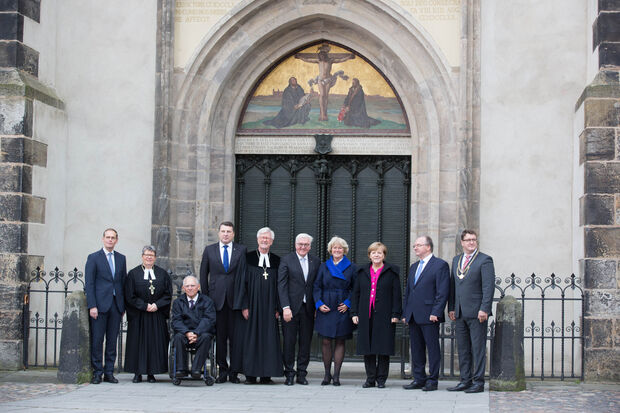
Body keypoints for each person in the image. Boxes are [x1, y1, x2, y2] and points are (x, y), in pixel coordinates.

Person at [199, 221, 247, 384]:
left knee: (235, 339)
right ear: (219, 233)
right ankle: (222, 370)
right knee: (219, 338)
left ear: (233, 234)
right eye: (223, 231)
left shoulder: (241, 250)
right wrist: (205, 300)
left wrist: (243, 302)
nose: (226, 234)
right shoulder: (209, 250)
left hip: (235, 302)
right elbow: (203, 275)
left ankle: (234, 372)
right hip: (215, 301)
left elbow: (244, 278)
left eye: (229, 231)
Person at [448, 230, 495, 393]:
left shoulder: (485, 260)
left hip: (477, 312)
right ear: (462, 242)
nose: (471, 243)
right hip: (460, 312)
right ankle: (465, 380)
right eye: (468, 240)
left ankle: (479, 382)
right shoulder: (456, 260)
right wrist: (452, 307)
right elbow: (453, 286)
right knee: (463, 348)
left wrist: (485, 309)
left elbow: (488, 287)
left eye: (474, 240)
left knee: (478, 348)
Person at [234, 227, 283, 384]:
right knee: (251, 340)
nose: (264, 240)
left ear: (272, 241)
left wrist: (277, 307)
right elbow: (241, 283)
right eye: (262, 238)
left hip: (269, 308)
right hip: (252, 307)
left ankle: (266, 375)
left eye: (267, 238)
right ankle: (250, 375)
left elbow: (280, 286)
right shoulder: (247, 258)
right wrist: (244, 305)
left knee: (269, 340)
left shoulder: (277, 260)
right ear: (257, 240)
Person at [402, 236, 450, 392]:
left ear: (428, 247)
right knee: (416, 349)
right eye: (414, 245)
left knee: (432, 348)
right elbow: (409, 291)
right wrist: (406, 313)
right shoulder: (414, 266)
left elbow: (442, 291)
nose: (415, 248)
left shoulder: (440, 265)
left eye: (418, 245)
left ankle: (432, 380)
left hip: (430, 314)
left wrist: (436, 311)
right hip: (414, 315)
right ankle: (419, 378)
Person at [351, 242, 402, 389]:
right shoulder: (361, 272)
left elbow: (396, 295)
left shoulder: (392, 272)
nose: (377, 255)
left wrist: (395, 313)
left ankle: (381, 379)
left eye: (380, 252)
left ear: (384, 255)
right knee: (368, 348)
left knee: (383, 347)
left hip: (385, 315)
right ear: (369, 255)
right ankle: (370, 378)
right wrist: (354, 313)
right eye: (373, 252)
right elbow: (356, 294)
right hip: (365, 314)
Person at [123, 246, 172, 383]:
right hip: (139, 315)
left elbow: (168, 294)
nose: (149, 257)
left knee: (154, 344)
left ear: (155, 257)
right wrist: (144, 306)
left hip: (156, 315)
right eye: (146, 255)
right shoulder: (133, 274)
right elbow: (129, 295)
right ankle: (137, 372)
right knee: (138, 344)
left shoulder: (162, 274)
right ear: (142, 256)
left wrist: (157, 305)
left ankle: (152, 372)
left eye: (152, 255)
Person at [85, 228, 127, 384]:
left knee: (112, 341)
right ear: (103, 239)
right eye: (108, 237)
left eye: (113, 237)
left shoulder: (121, 258)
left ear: (116, 240)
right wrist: (92, 305)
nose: (110, 240)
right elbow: (89, 284)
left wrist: (122, 306)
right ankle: (97, 372)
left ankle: (109, 371)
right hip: (99, 306)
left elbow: (122, 282)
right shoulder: (94, 258)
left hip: (116, 306)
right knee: (97, 340)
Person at [277, 233, 320, 385]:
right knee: (289, 341)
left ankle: (302, 373)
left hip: (308, 308)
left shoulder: (315, 261)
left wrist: (317, 305)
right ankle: (289, 373)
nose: (303, 247)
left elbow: (316, 285)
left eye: (306, 244)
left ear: (310, 246)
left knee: (305, 342)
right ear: (295, 245)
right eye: (300, 244)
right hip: (290, 309)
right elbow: (281, 285)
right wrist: (285, 307)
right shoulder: (286, 260)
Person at [313, 236, 357, 386]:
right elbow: (316, 286)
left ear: (344, 250)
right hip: (326, 305)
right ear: (330, 250)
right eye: (334, 248)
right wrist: (319, 303)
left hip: (341, 306)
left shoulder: (352, 267)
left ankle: (337, 375)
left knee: (340, 340)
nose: (337, 250)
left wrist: (348, 303)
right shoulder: (324, 266)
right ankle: (327, 375)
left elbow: (355, 288)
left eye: (340, 248)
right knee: (325, 341)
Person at [171, 275, 216, 385]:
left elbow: (209, 319)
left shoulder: (207, 301)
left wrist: (196, 333)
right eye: (187, 286)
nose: (190, 288)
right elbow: (176, 320)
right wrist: (187, 332)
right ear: (183, 288)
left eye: (192, 285)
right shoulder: (178, 302)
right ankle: (181, 369)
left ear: (198, 287)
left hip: (201, 334)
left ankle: (196, 369)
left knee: (206, 337)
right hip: (184, 334)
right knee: (178, 337)